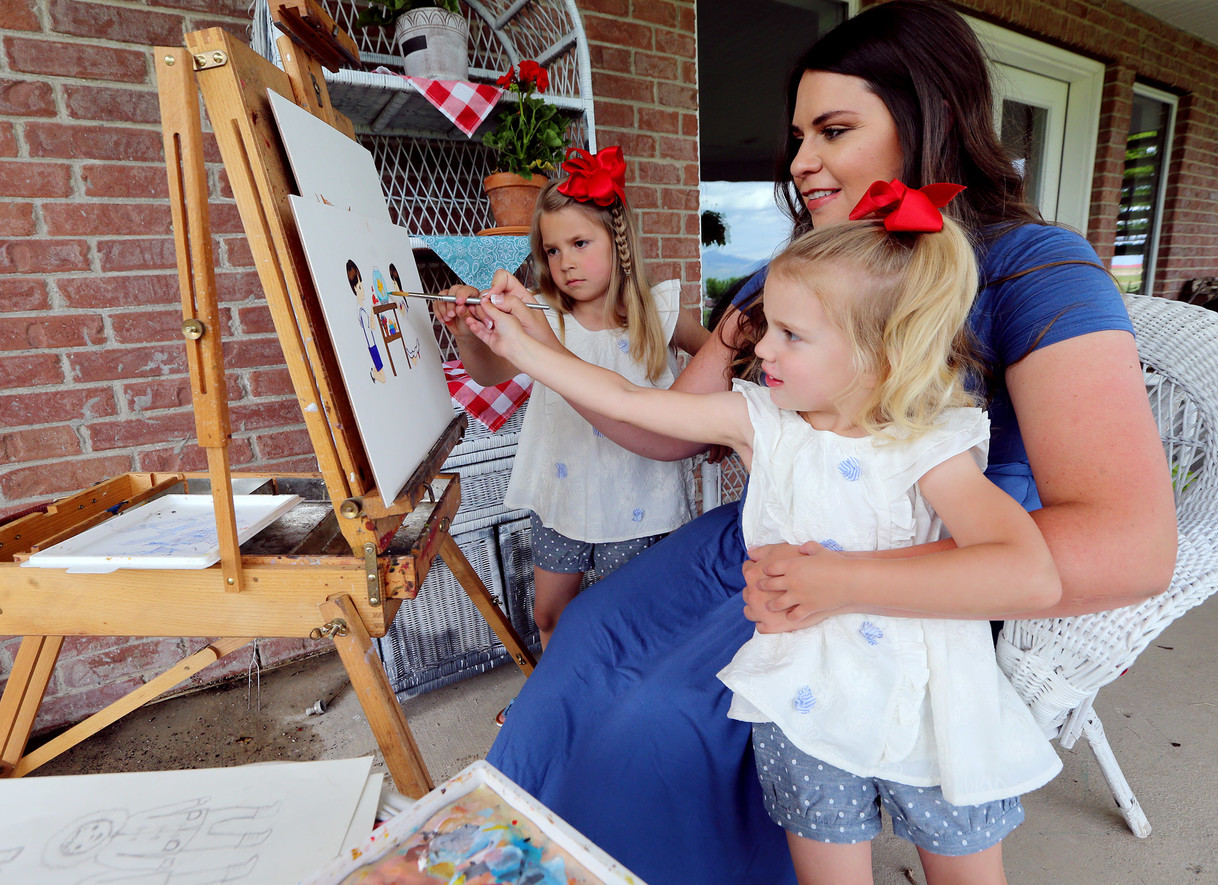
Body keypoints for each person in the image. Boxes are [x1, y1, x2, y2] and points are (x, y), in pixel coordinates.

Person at [480, 2, 1177, 881]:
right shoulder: (797, 274)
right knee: (583, 642)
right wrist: (542, 353)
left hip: (915, 566)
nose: (801, 161)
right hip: (759, 540)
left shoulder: (1031, 266)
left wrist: (847, 580)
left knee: (660, 723)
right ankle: (526, 848)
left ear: (932, 120)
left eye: (834, 129)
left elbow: (1131, 545)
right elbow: (663, 431)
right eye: (799, 133)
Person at [473, 194, 1066, 883]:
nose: (761, 347)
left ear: (882, 352)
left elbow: (1031, 575)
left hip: (935, 710)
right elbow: (632, 402)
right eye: (768, 328)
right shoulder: (765, 423)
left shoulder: (927, 443)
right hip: (802, 708)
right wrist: (523, 346)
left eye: (792, 334)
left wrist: (837, 582)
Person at [434, 145, 710, 653]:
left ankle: (611, 709)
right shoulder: (542, 316)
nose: (565, 263)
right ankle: (556, 695)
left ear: (619, 241)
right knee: (549, 613)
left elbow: (719, 359)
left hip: (638, 499)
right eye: (553, 250)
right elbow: (489, 372)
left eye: (580, 243)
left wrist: (718, 424)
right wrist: (468, 332)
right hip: (560, 495)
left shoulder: (661, 312)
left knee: (624, 620)